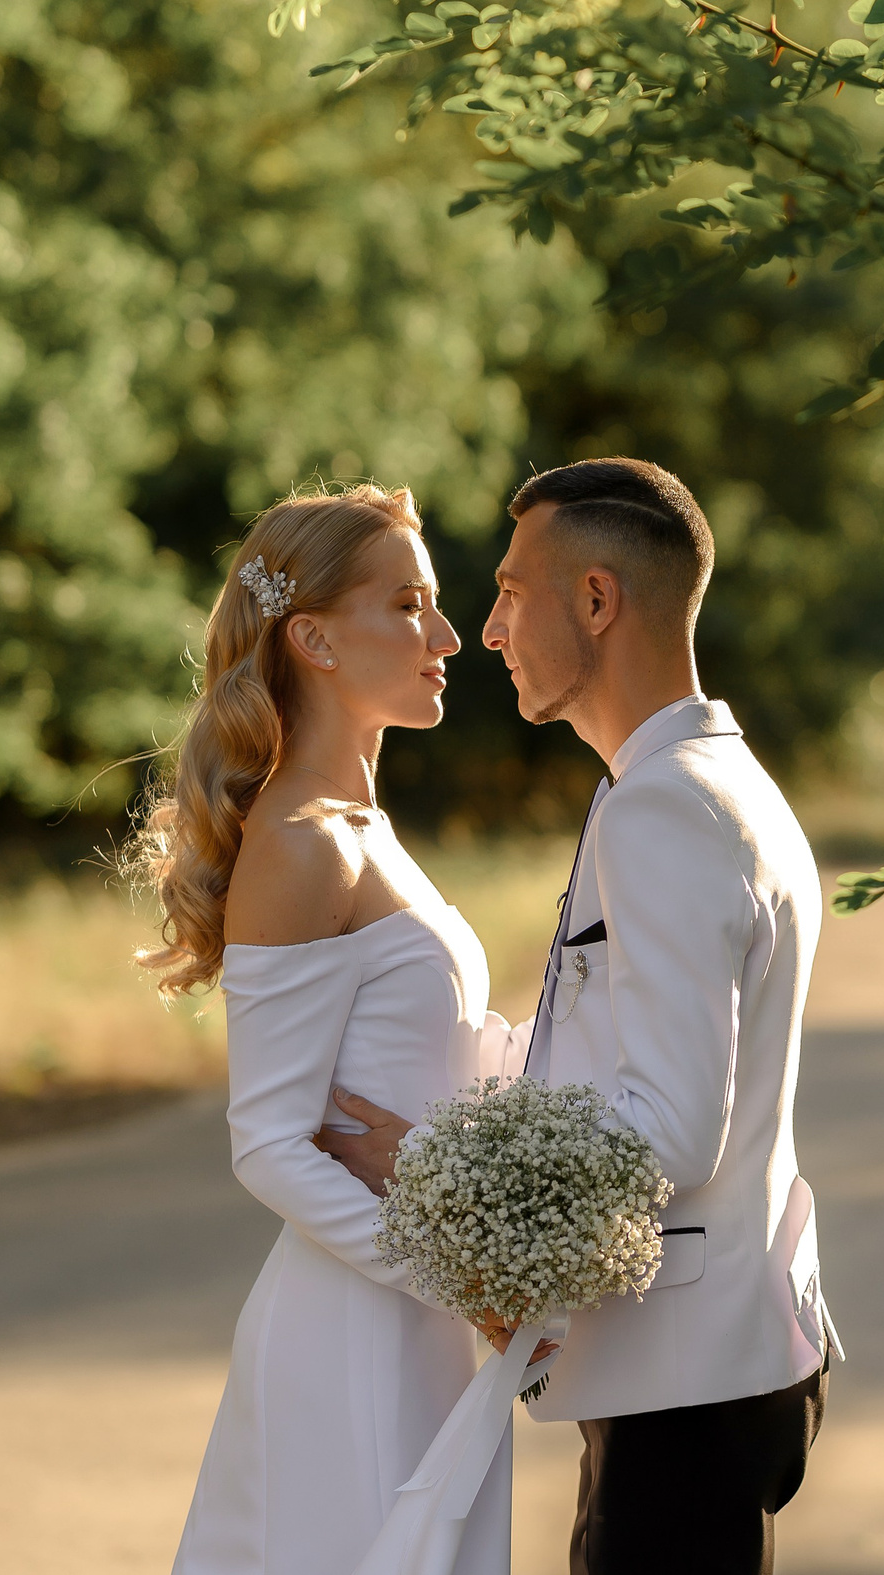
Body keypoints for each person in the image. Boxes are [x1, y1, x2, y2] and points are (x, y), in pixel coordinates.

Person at [322, 458, 840, 1575]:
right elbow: (613, 1057)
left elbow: (672, 1121)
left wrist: (434, 1172)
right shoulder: (702, 782)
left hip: (685, 1381)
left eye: (512, 592)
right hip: (696, 1364)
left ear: (597, 600)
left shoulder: (667, 807)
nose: (489, 628)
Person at [134, 485, 530, 1575]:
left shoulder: (366, 826)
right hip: (357, 1324)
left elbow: (435, 1056)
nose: (449, 636)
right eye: (409, 605)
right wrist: (457, 1272)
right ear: (311, 636)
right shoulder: (303, 842)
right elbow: (267, 1142)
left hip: (422, 1324)